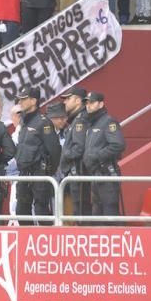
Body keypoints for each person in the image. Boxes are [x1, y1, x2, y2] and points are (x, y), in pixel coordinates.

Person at [13, 86, 61, 225]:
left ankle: (48, 243)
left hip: (39, 172)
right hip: (24, 173)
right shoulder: (24, 121)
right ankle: (26, 242)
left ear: (33, 101)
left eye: (23, 99)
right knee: (21, 211)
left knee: (42, 211)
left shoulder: (43, 122)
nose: (20, 103)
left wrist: (47, 171)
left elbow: (54, 150)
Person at [82, 91, 126, 223]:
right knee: (97, 214)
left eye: (92, 102)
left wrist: (96, 157)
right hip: (96, 174)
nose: (88, 105)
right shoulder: (92, 123)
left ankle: (115, 241)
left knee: (109, 213)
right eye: (87, 103)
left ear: (101, 104)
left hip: (107, 173)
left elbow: (118, 145)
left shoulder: (108, 121)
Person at [58, 87, 90, 221]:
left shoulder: (80, 120)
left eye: (68, 99)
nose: (65, 102)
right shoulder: (76, 119)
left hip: (79, 172)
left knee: (81, 214)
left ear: (77, 101)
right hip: (76, 172)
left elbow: (79, 148)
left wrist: (65, 155)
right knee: (78, 213)